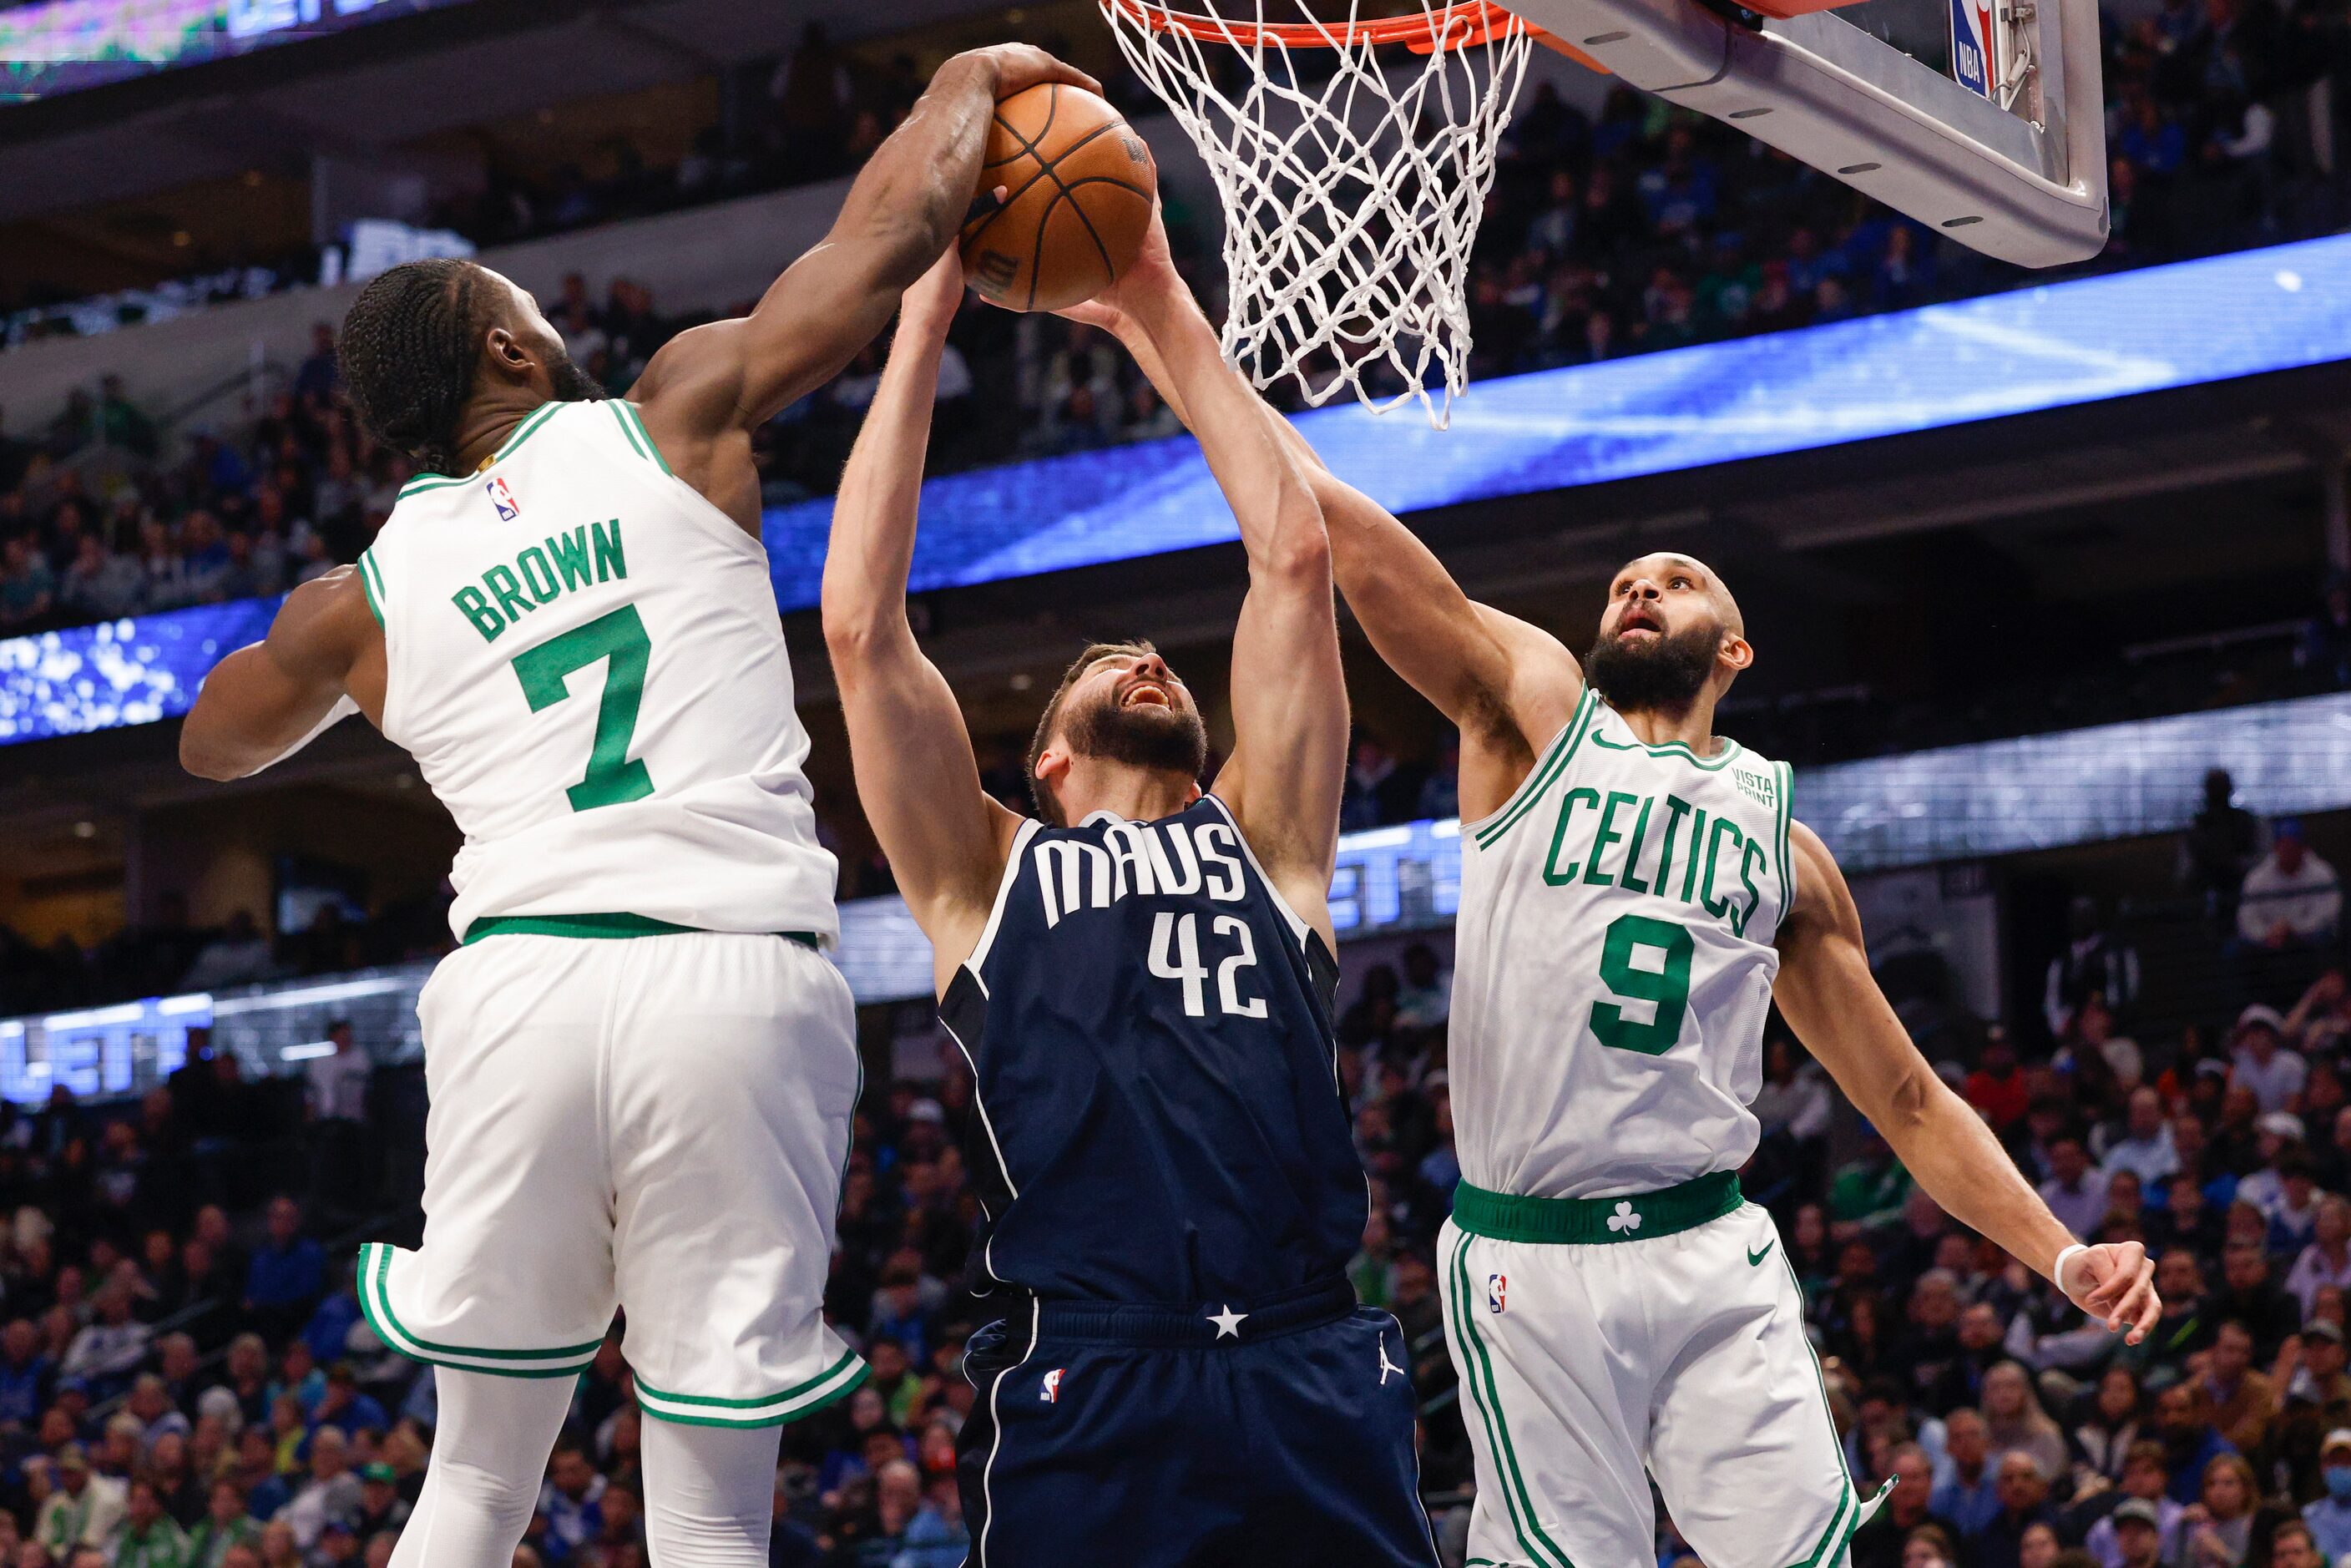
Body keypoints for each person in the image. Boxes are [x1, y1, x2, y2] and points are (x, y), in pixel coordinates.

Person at [174, 40, 1101, 1568]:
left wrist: (331, 632)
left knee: (470, 1486)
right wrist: (971, 77)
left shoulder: (360, 605)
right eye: (534, 308)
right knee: (714, 1507)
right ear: (513, 353)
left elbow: (214, 748)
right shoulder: (673, 412)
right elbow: (882, 244)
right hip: (728, 982)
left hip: (523, 984)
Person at [1104, 274, 2161, 1563]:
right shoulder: (1532, 710)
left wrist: (2063, 1255)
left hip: (1712, 1246)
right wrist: (1160, 313)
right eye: (1626, 581)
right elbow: (1327, 522)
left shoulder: (1790, 848)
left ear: (1736, 649)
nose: (1642, 588)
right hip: (1530, 1261)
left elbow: (1912, 1101)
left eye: (1680, 579)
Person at [820, 227, 1431, 1565]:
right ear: (1046, 758)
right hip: (1092, 1372)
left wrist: (1159, 296)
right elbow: (864, 633)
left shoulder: (1271, 840)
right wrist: (924, 315)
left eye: (1154, 657)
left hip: (1308, 1356)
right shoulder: (988, 871)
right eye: (1108, 665)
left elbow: (1293, 556)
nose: (1145, 657)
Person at [2302, 1428, 2351, 1560]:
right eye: (2335, 1461)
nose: (2341, 1467)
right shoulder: (2309, 1516)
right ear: (2323, 1466)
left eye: (2347, 1461)